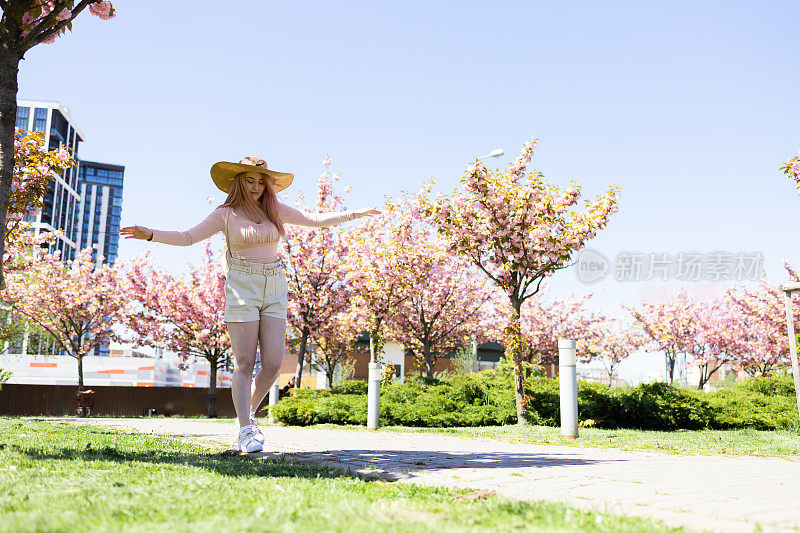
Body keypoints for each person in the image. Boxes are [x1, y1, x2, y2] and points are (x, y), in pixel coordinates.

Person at [120, 156, 379, 452]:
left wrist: (356, 213)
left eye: (261, 181)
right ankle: (245, 428)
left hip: (275, 285)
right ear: (238, 182)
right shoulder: (225, 214)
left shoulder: (275, 210)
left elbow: (315, 220)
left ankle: (247, 417)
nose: (256, 186)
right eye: (250, 180)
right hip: (242, 287)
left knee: (272, 364)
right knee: (244, 363)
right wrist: (151, 234)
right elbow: (188, 237)